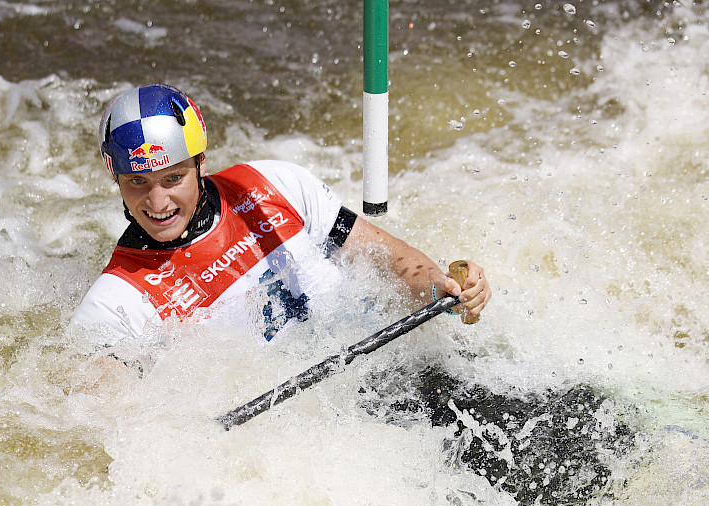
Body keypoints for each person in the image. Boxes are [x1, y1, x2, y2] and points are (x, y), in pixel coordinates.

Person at [71, 84, 491, 343]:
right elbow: (104, 413)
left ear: (200, 163)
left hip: (389, 368)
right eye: (137, 182)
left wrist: (440, 288)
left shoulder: (272, 184)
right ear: (117, 180)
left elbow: (388, 261)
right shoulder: (115, 300)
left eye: (173, 178)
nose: (158, 202)